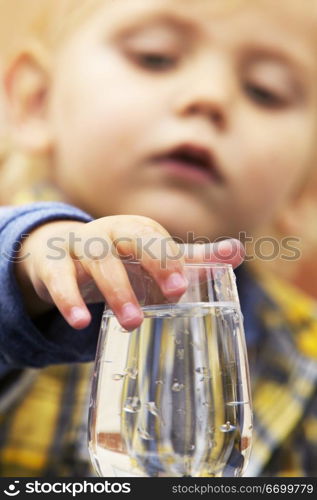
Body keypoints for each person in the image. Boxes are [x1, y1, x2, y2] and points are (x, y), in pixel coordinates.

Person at [0, 0, 317, 476]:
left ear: (305, 190)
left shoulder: (306, 358)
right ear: (36, 100)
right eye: (155, 57)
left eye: (264, 91)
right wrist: (32, 262)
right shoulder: (23, 262)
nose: (210, 97)